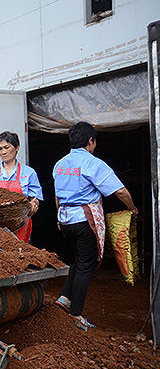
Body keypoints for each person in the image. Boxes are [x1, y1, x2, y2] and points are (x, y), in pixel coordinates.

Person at [53, 122, 138, 331]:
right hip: (84, 221)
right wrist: (132, 207)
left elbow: (57, 196)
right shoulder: (93, 163)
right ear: (91, 141)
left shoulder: (59, 165)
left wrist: (59, 219)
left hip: (65, 220)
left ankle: (64, 298)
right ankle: (76, 314)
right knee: (86, 265)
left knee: (81, 259)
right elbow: (120, 191)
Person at [0, 131, 43, 242]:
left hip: (21, 223)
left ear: (17, 147)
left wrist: (33, 204)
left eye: (7, 147)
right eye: (0, 149)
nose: (3, 152)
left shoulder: (29, 173)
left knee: (19, 250)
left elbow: (35, 197)